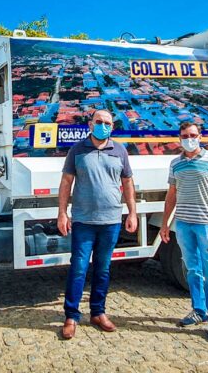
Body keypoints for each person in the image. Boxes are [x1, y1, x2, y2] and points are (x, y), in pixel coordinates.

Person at [57, 110, 138, 340]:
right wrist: (62, 213)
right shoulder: (77, 150)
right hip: (83, 220)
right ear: (90, 124)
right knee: (78, 269)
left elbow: (128, 183)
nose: (103, 126)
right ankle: (72, 316)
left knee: (103, 269)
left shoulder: (120, 150)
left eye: (107, 123)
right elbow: (66, 182)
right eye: (99, 122)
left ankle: (98, 313)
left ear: (112, 126)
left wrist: (132, 212)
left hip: (111, 220)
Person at [159, 122, 208, 342]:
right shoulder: (175, 163)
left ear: (200, 136)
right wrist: (164, 224)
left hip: (206, 224)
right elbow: (171, 195)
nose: (188, 138)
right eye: (184, 135)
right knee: (192, 269)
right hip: (183, 224)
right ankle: (198, 310)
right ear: (179, 138)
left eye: (192, 135)